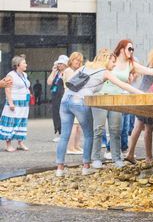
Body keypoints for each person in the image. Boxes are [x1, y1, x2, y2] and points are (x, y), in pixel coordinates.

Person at [55, 48, 143, 177]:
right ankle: (86, 167)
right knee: (89, 135)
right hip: (79, 102)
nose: (114, 65)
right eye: (113, 62)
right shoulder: (104, 72)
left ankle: (59, 169)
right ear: (107, 60)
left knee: (64, 136)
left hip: (65, 101)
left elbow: (71, 81)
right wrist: (142, 93)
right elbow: (123, 85)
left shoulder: (85, 67)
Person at [92, 39, 153, 168]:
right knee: (98, 130)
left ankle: (117, 158)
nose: (131, 51)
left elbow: (149, 70)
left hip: (117, 99)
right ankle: (96, 158)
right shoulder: (111, 60)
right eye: (129, 48)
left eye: (133, 49)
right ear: (121, 49)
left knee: (116, 130)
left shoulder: (131, 64)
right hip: (101, 97)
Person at [1, 56, 31, 152]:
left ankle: (20, 142)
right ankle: (8, 144)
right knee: (11, 122)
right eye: (24, 63)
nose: (26, 65)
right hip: (15, 101)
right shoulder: (11, 75)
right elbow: (7, 88)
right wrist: (10, 103)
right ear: (18, 65)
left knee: (22, 121)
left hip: (24, 103)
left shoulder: (25, 75)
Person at [47, 55, 69, 142]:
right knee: (56, 114)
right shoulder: (57, 73)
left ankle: (64, 134)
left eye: (61, 64)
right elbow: (49, 82)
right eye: (58, 64)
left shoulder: (67, 72)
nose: (59, 65)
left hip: (63, 96)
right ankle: (59, 132)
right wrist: (53, 71)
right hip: (55, 96)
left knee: (63, 115)